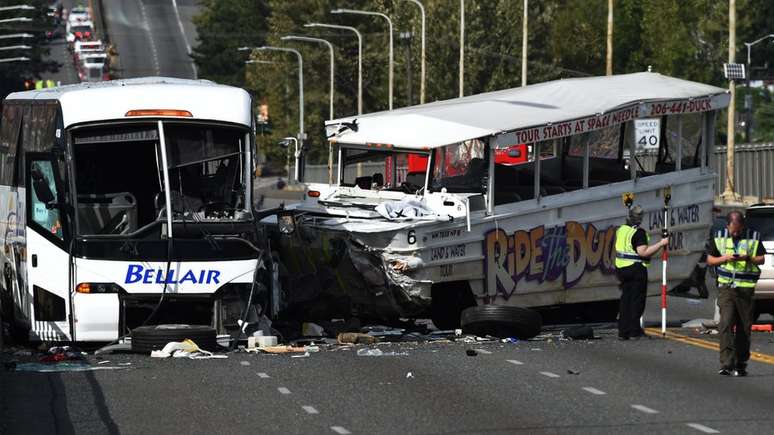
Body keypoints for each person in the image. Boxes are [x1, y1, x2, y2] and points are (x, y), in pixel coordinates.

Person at [706, 211, 765, 376]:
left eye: (739, 230)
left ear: (743, 226)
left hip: (745, 289)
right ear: (727, 225)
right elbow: (710, 260)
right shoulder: (719, 236)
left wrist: (748, 258)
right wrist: (725, 258)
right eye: (734, 231)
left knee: (744, 327)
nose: (736, 234)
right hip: (726, 287)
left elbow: (761, 259)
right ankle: (726, 363)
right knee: (725, 324)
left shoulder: (753, 236)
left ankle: (741, 362)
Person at [614, 205, 669, 340]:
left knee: (625, 299)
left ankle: (623, 331)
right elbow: (643, 252)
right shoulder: (638, 233)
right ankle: (634, 331)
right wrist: (661, 243)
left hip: (621, 268)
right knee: (637, 301)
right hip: (635, 268)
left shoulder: (621, 230)